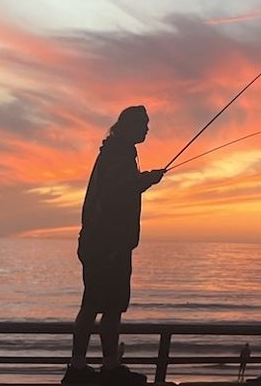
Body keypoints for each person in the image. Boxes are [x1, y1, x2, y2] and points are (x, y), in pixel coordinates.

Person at [65, 106, 166, 385]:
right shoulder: (118, 153)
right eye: (144, 125)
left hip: (108, 244)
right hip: (107, 245)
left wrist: (143, 179)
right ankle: (79, 367)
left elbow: (121, 186)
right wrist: (147, 180)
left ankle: (104, 366)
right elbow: (119, 190)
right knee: (96, 305)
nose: (147, 130)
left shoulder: (116, 152)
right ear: (130, 126)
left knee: (109, 307)